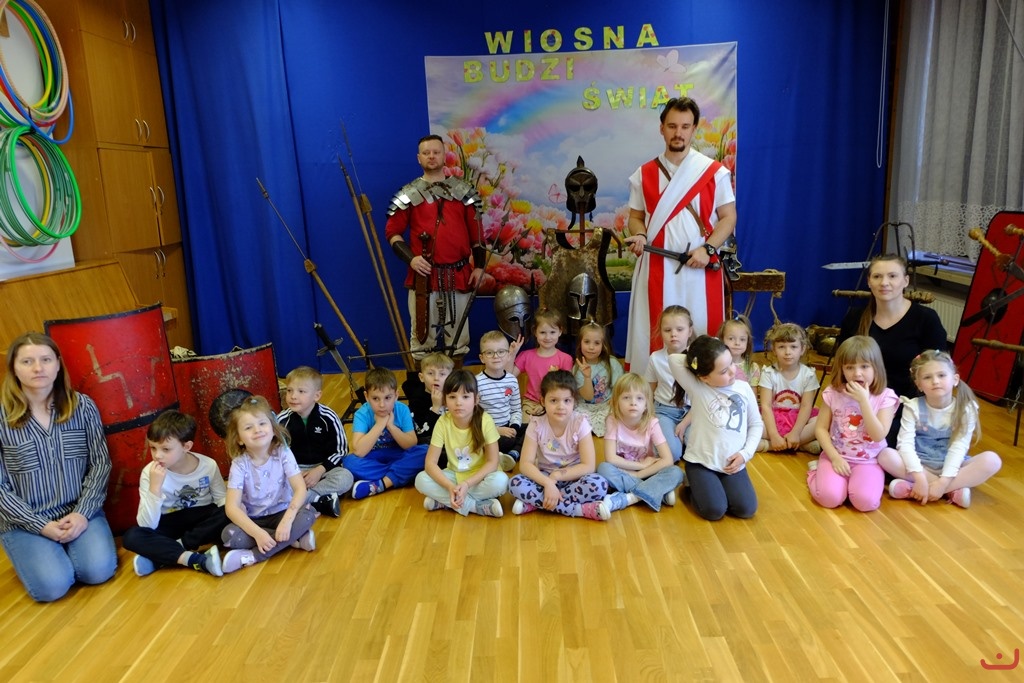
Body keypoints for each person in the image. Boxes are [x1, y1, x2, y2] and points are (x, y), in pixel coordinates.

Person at [0, 332, 117, 602]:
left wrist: (82, 514)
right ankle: (43, 554)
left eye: (46, 359)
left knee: (98, 571)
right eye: (27, 361)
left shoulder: (83, 407)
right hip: (24, 520)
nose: (38, 368)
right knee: (52, 587)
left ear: (57, 364)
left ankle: (64, 549)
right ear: (13, 368)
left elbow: (100, 463)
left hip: (78, 510)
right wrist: (40, 526)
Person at [624, 97, 737, 375]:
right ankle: (652, 390)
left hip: (701, 267)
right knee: (655, 330)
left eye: (685, 126)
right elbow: (635, 217)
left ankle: (706, 386)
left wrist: (708, 249)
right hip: (656, 266)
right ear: (661, 128)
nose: (679, 133)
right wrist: (639, 235)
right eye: (672, 126)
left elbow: (728, 217)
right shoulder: (643, 174)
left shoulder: (714, 172)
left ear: (694, 129)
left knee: (703, 328)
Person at [385, 134, 487, 360]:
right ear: (419, 158)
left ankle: (456, 383)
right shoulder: (408, 194)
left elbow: (477, 235)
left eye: (436, 152)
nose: (431, 156)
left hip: (458, 273)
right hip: (423, 276)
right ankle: (425, 383)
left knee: (458, 340)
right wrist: (411, 259)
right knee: (422, 340)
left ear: (444, 155)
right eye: (426, 153)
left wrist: (479, 266)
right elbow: (392, 233)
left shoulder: (464, 192)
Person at [836, 254, 947, 445]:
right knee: (841, 432)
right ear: (869, 282)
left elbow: (939, 370)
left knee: (881, 441)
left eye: (892, 276)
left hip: (907, 405)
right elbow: (841, 366)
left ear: (905, 281)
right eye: (877, 276)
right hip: (862, 400)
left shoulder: (926, 319)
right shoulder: (855, 317)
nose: (884, 283)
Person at [879, 350, 1002, 508]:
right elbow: (905, 445)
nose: (935, 381)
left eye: (942, 375)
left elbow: (959, 447)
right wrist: (920, 477)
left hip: (953, 467)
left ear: (955, 379)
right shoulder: (913, 406)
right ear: (919, 384)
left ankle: (921, 490)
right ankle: (948, 490)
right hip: (921, 465)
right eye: (927, 377)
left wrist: (943, 482)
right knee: (885, 455)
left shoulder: (966, 409)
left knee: (992, 460)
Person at [123, 410, 228, 577]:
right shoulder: (149, 473)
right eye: (153, 448)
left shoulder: (208, 465)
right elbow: (147, 525)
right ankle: (191, 559)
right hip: (169, 521)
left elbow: (222, 500)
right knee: (131, 536)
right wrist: (155, 488)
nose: (157, 455)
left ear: (186, 447)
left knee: (231, 510)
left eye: (166, 449)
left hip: (201, 519)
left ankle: (165, 555)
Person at [668, 335, 762, 521]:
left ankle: (713, 488)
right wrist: (700, 356)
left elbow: (756, 424)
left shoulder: (743, 388)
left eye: (731, 363)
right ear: (704, 377)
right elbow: (674, 359)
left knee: (746, 509)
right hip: (701, 463)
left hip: (731, 464)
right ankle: (691, 486)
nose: (733, 371)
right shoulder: (699, 388)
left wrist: (745, 454)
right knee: (714, 511)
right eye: (724, 371)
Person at [220, 396, 317, 573]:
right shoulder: (239, 464)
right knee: (229, 536)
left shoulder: (283, 452)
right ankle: (292, 539)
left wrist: (287, 521)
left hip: (282, 513)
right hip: (255, 520)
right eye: (248, 427)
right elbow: (231, 508)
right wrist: (258, 534)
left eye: (262, 424)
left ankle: (253, 556)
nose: (257, 430)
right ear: (239, 439)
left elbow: (300, 489)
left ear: (273, 429)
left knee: (307, 515)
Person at [808, 336, 899, 513]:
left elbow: (878, 435)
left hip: (869, 461)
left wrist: (864, 402)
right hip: (836, 456)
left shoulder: (886, 396)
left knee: (865, 502)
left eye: (864, 366)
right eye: (850, 367)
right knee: (829, 498)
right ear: (842, 369)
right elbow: (820, 429)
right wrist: (834, 457)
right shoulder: (833, 392)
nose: (857, 373)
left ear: (876, 367)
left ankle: (851, 485)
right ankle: (815, 474)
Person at [508, 370, 611, 520]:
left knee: (599, 484)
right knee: (515, 483)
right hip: (544, 478)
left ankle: (537, 503)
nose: (561, 406)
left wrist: (556, 476)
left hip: (574, 478)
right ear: (542, 401)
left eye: (567, 401)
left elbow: (588, 466)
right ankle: (579, 510)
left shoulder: (580, 423)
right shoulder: (536, 424)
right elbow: (525, 464)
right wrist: (548, 483)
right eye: (554, 400)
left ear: (574, 401)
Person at [415, 370, 509, 516]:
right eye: (452, 397)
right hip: (454, 476)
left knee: (501, 481)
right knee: (421, 480)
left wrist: (466, 485)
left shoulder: (485, 420)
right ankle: (474, 506)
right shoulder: (442, 422)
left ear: (476, 399)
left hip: (480, 477)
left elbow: (492, 462)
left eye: (465, 396)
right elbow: (430, 463)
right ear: (445, 400)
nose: (458, 402)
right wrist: (449, 486)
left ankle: (445, 502)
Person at [598, 373, 683, 512]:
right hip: (624, 470)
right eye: (626, 397)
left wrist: (639, 474)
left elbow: (667, 460)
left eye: (639, 398)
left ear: (646, 405)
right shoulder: (612, 420)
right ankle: (657, 492)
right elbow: (611, 458)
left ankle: (628, 498)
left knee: (676, 472)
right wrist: (640, 465)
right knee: (603, 468)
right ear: (616, 401)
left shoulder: (652, 423)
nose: (633, 402)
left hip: (648, 472)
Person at [277, 366, 353, 517]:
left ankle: (304, 498)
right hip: (295, 470)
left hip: (324, 469)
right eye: (290, 390)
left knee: (346, 478)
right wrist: (294, 472)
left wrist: (320, 470)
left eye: (301, 391)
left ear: (316, 396)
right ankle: (319, 501)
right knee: (276, 483)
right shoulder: (281, 421)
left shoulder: (328, 417)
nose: (293, 396)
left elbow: (341, 451)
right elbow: (276, 453)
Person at [343, 367, 427, 499]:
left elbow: (411, 444)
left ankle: (381, 483)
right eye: (375, 398)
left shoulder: (402, 409)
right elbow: (359, 451)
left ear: (396, 395)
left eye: (388, 398)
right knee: (349, 462)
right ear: (366, 397)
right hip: (374, 457)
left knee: (425, 451)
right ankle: (399, 475)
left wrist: (391, 426)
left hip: (398, 454)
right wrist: (380, 424)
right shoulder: (362, 414)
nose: (382, 405)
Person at [757, 323, 821, 454]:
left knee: (821, 423)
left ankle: (770, 445)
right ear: (774, 349)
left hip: (799, 420)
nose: (787, 352)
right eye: (781, 347)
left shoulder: (808, 375)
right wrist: (774, 435)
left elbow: (806, 407)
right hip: (773, 420)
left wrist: (796, 433)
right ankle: (800, 445)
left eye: (793, 347)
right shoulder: (768, 373)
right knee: (750, 422)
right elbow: (766, 406)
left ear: (802, 349)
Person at [645, 305, 695, 462]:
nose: (673, 334)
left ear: (689, 331)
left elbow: (703, 395)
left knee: (698, 451)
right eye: (667, 330)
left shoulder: (697, 357)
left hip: (693, 412)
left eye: (680, 329)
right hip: (665, 411)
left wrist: (684, 424)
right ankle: (676, 445)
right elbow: (649, 391)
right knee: (672, 454)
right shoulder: (655, 358)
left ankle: (683, 443)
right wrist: (650, 417)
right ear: (661, 332)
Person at [507, 308, 573, 417]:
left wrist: (545, 405)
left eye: (552, 332)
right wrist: (512, 355)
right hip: (531, 403)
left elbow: (567, 388)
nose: (547, 337)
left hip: (556, 402)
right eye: (542, 332)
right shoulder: (526, 356)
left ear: (560, 331)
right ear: (535, 332)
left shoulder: (565, 359)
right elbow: (508, 378)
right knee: (526, 425)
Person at [475, 330, 524, 472]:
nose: (496, 356)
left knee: (533, 429)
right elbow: (473, 416)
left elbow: (516, 409)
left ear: (508, 355)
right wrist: (495, 430)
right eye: (490, 353)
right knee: (506, 441)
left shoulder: (512, 380)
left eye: (501, 352)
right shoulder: (476, 383)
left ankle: (512, 455)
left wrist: (514, 427)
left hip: (508, 427)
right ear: (482, 358)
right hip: (487, 430)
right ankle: (500, 455)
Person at [572, 320, 623, 437]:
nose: (591, 347)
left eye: (597, 343)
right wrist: (587, 376)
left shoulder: (612, 363)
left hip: (606, 405)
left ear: (603, 345)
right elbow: (588, 397)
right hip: (585, 407)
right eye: (587, 342)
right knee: (573, 418)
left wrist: (615, 399)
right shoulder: (577, 368)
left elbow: (620, 387)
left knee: (620, 414)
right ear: (580, 343)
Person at [403, 352, 454, 458]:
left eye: (442, 374)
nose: (436, 378)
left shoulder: (454, 396)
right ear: (421, 377)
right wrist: (435, 408)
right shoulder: (417, 400)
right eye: (430, 373)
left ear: (450, 377)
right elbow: (422, 433)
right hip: (429, 445)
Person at [718, 316, 760, 387]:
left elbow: (752, 394)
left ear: (748, 342)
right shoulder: (717, 365)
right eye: (731, 338)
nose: (737, 343)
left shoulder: (752, 368)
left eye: (742, 339)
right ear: (722, 339)